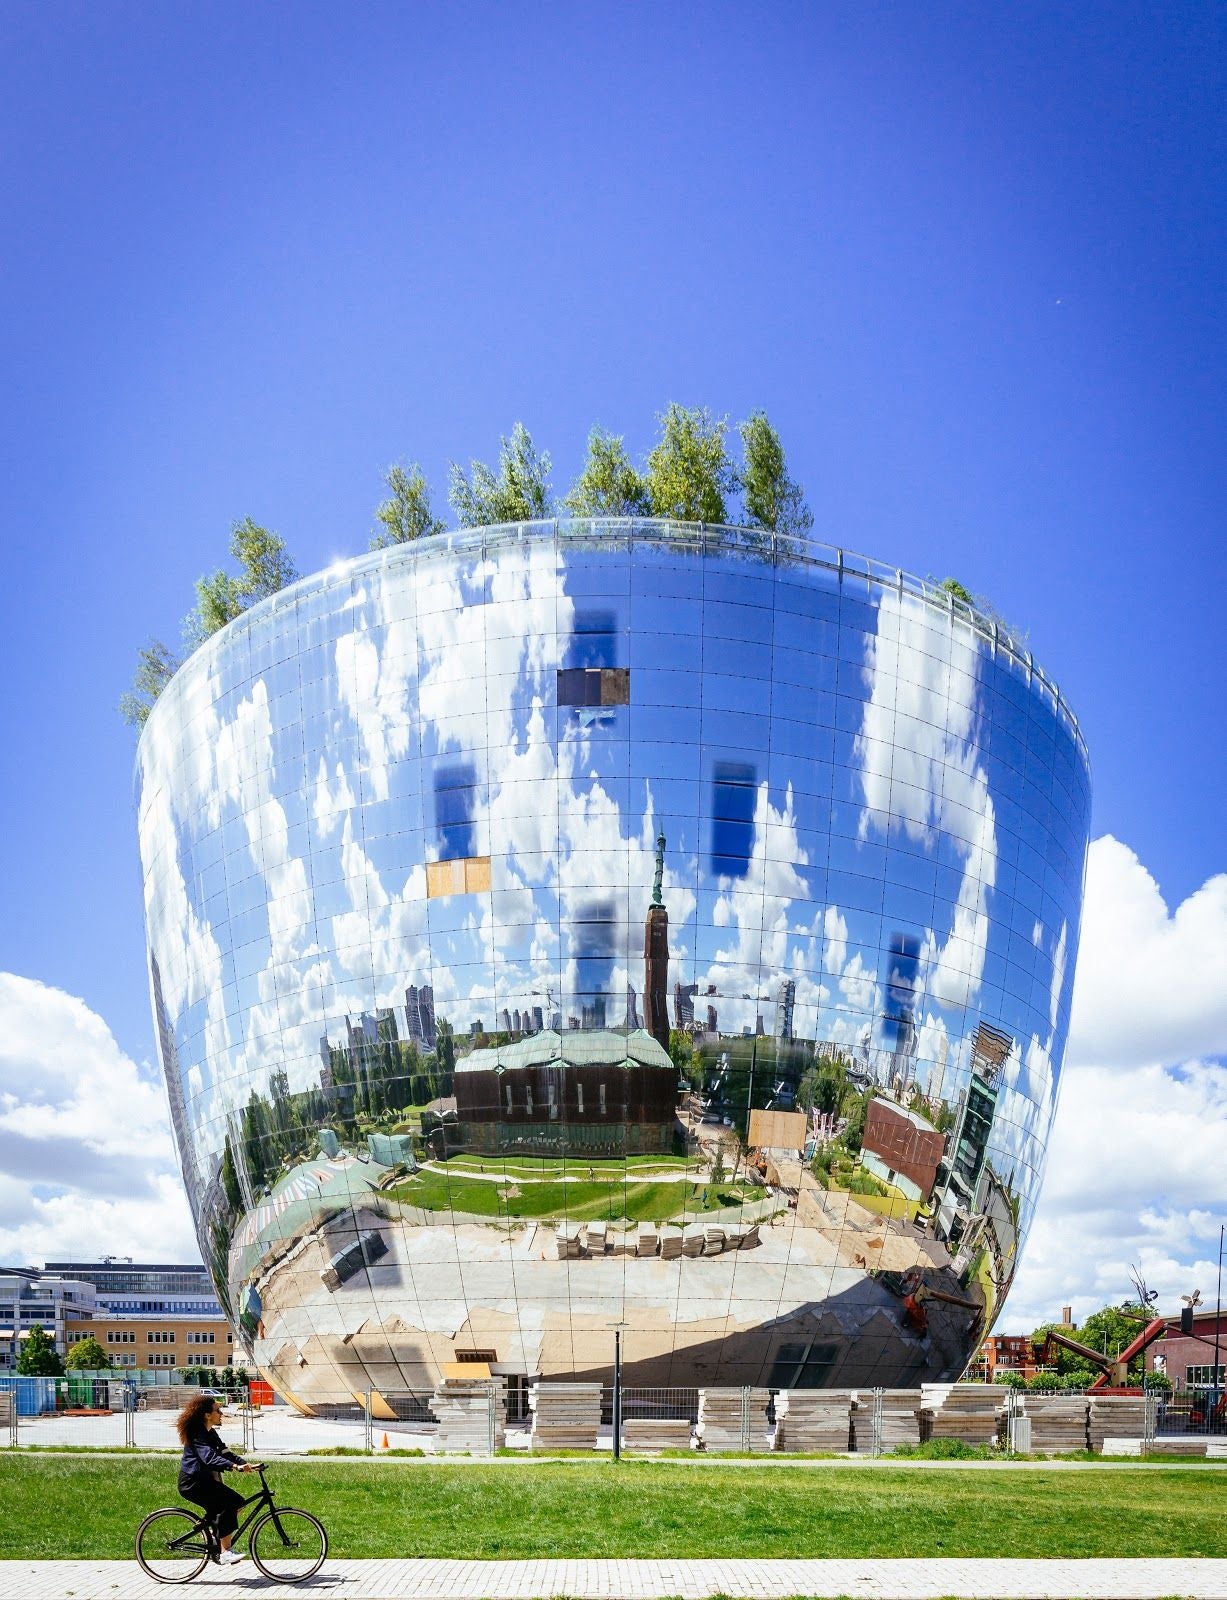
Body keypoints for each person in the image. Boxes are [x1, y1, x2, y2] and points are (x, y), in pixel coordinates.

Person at [175, 1393, 257, 1566]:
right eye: (217, 1410)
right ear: (207, 1414)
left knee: (236, 1504)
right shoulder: (197, 1435)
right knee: (231, 1502)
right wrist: (234, 1467)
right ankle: (225, 1552)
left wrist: (245, 1464)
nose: (221, 1413)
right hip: (192, 1483)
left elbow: (225, 1452)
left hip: (204, 1480)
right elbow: (209, 1457)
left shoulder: (210, 1433)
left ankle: (215, 1535)